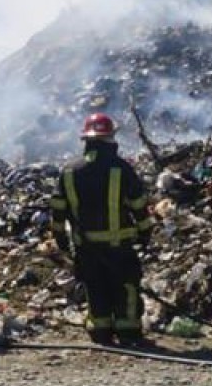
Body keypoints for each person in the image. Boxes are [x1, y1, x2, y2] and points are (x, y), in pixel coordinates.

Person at [48, 112, 154, 345]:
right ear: (110, 138)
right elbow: (139, 206)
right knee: (125, 287)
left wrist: (61, 240)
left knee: (95, 288)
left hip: (86, 247)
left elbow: (58, 210)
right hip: (120, 247)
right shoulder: (121, 169)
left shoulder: (69, 171)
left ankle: (100, 331)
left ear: (86, 140)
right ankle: (128, 332)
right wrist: (145, 234)